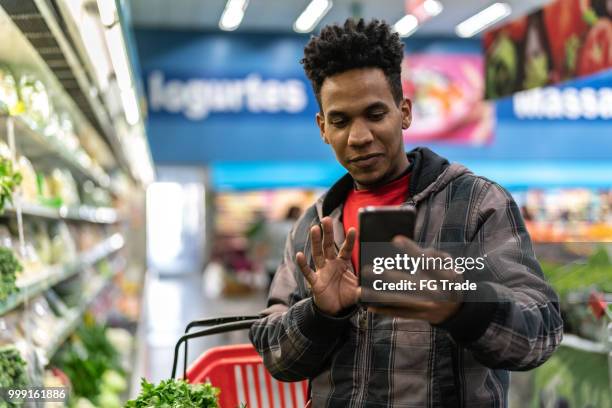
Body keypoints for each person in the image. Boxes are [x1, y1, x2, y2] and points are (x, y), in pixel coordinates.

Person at [249, 18, 563, 406]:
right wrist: (319, 315)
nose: (360, 137)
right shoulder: (315, 228)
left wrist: (462, 304)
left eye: (375, 114)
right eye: (341, 120)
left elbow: (542, 332)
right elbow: (276, 356)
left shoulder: (477, 206)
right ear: (322, 128)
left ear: (405, 112)